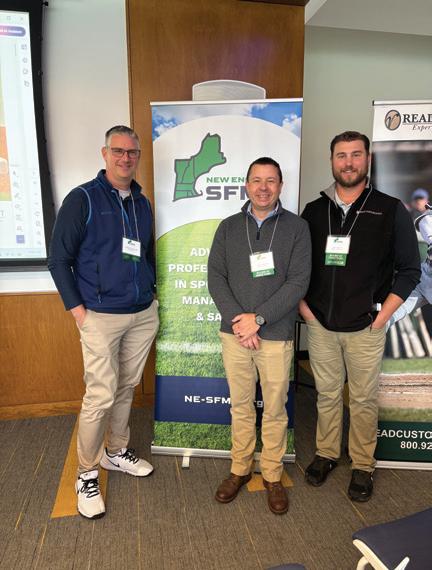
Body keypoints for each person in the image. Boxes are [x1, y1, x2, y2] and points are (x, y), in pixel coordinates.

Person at [300, 131, 420, 502]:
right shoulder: (314, 211)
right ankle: (326, 453)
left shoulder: (390, 209)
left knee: (364, 399)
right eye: (341, 155)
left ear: (367, 159)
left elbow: (410, 270)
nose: (348, 162)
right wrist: (308, 314)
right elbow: (297, 269)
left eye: (356, 155)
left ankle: (363, 465)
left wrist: (381, 318)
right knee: (327, 395)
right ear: (331, 161)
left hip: (367, 326)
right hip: (321, 326)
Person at [48, 125, 159, 519]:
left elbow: (145, 254)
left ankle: (116, 451)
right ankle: (87, 472)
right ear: (105, 153)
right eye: (118, 151)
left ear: (138, 156)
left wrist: (152, 293)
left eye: (132, 152)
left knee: (126, 386)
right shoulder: (83, 199)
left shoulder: (142, 203)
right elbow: (58, 259)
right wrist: (79, 312)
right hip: (99, 315)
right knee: (100, 395)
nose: (125, 158)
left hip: (141, 313)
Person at [208, 157, 311, 515]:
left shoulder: (297, 228)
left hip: (276, 334)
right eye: (256, 180)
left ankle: (271, 474)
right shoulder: (228, 227)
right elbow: (216, 277)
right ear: (246, 185)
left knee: (275, 409)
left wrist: (260, 319)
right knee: (240, 406)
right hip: (235, 334)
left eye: (270, 180)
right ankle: (239, 469)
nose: (263, 187)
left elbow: (298, 282)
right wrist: (241, 323)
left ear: (280, 185)